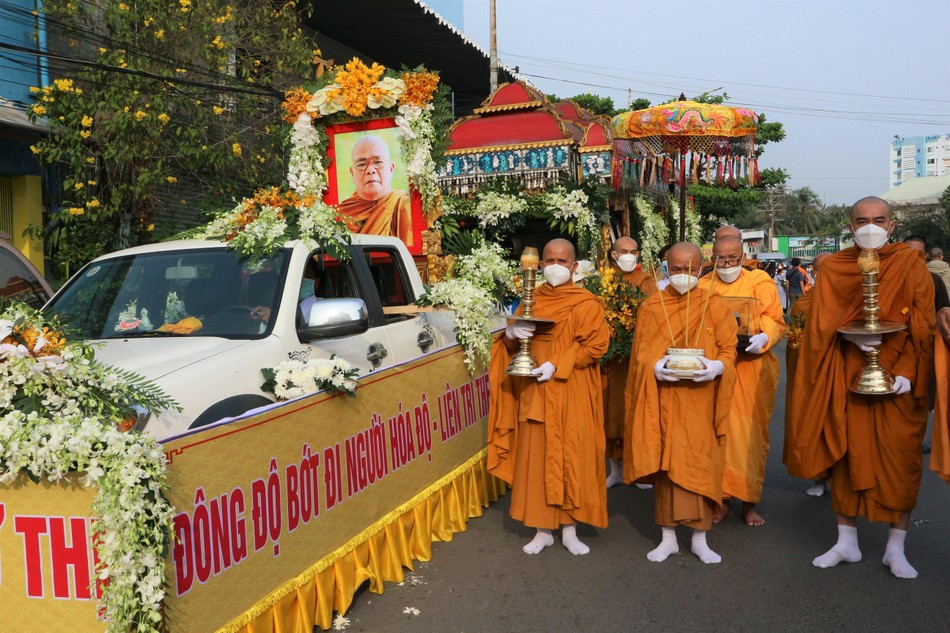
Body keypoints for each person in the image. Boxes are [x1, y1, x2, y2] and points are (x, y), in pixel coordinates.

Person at [785, 196, 936, 579]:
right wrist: (850, 337)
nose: (871, 226)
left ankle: (895, 548)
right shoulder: (835, 267)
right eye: (862, 220)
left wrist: (907, 372)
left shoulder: (910, 265)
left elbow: (923, 327)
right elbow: (819, 328)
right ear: (850, 226)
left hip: (899, 382)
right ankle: (846, 542)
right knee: (846, 459)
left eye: (879, 220)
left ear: (892, 225)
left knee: (901, 463)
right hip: (848, 374)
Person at [488, 238, 610, 555]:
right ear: (540, 265)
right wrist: (510, 334)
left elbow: (595, 345)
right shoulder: (531, 299)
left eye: (562, 261)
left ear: (574, 265)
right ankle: (542, 529)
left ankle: (570, 529)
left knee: (573, 456)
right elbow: (510, 347)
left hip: (572, 388)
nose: (556, 267)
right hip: (536, 392)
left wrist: (556, 364)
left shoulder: (586, 303)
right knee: (537, 457)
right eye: (550, 261)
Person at [624, 242, 738, 564]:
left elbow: (729, 349)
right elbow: (640, 356)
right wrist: (655, 367)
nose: (682, 274)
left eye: (689, 269)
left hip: (702, 401)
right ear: (665, 267)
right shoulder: (652, 306)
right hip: (665, 399)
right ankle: (668, 538)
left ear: (701, 269)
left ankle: (700, 539)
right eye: (675, 269)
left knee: (702, 464)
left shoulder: (714, 304)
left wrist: (717, 367)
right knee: (667, 467)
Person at [699, 235, 786, 527]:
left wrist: (764, 335)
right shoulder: (703, 284)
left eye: (733, 258)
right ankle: (721, 500)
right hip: (717, 369)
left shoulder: (760, 281)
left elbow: (775, 319)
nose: (727, 265)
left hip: (752, 369)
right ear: (712, 258)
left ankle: (750, 503)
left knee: (750, 437)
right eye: (721, 259)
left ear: (743, 257)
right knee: (717, 433)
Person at [603, 236, 658, 488]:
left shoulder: (646, 281)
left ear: (638, 254)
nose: (628, 255)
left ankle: (638, 471)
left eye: (633, 251)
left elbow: (655, 314)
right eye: (623, 251)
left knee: (635, 413)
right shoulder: (604, 281)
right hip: (611, 359)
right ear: (614, 255)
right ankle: (615, 470)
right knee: (611, 415)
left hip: (636, 356)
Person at [783, 252, 832, 497]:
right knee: (812, 425)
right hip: (810, 375)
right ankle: (818, 477)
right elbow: (794, 343)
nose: (825, 275)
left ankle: (842, 478)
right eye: (820, 270)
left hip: (840, 374)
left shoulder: (850, 300)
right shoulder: (803, 304)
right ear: (813, 272)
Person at [337, 135, 414, 247]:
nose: (370, 170)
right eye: (361, 164)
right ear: (352, 173)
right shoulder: (342, 214)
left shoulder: (403, 205)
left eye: (378, 162)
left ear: (391, 168)